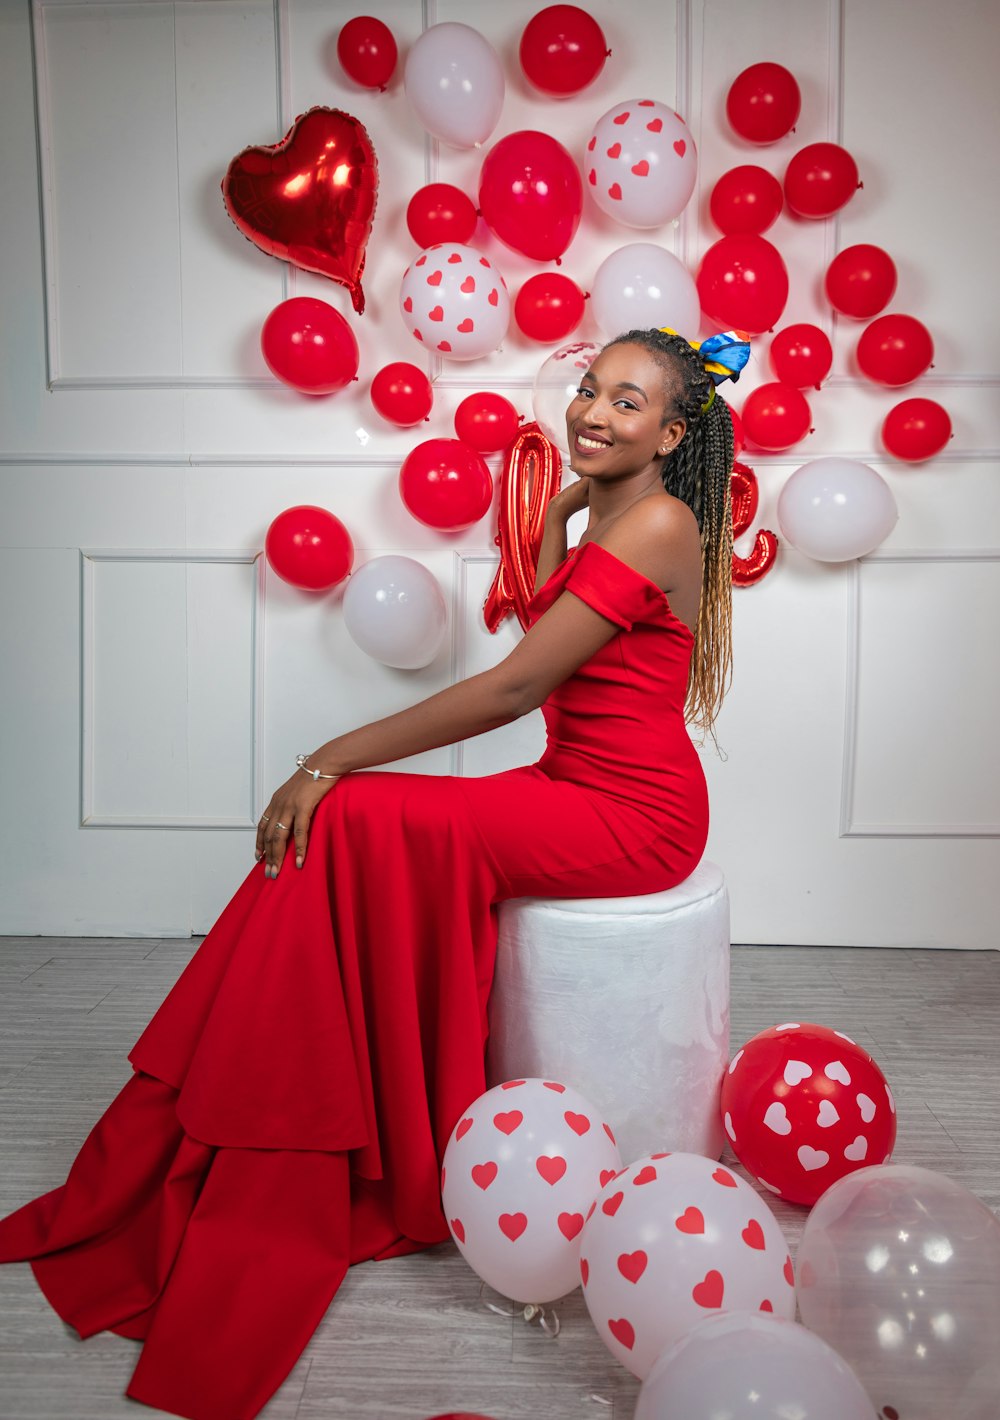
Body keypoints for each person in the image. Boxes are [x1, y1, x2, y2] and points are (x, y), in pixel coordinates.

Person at [0, 327, 742, 1420]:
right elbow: (543, 627)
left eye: (626, 404)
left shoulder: (663, 519)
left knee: (348, 810)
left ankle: (285, 1100)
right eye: (588, 389)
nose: (591, 410)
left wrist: (326, 753)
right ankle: (266, 1084)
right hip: (570, 784)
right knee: (352, 826)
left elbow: (510, 686)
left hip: (631, 814)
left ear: (673, 434)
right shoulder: (618, 512)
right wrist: (553, 514)